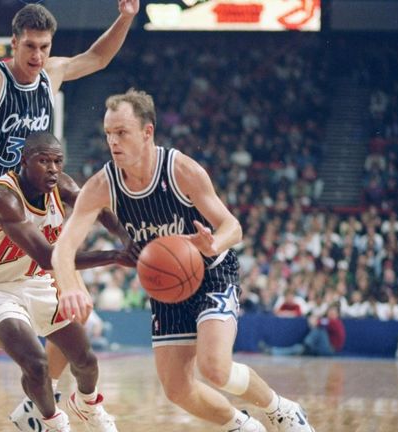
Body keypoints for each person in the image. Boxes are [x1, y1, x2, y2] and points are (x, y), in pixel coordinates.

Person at [0, 2, 140, 431]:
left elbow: (97, 58)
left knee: (65, 301)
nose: (38, 55)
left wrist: (126, 17)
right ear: (13, 43)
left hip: (37, 203)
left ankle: (40, 404)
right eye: (30, 46)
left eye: (44, 47)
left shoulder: (50, 73)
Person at [50, 89, 315, 432]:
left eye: (122, 132)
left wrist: (212, 244)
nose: (112, 141)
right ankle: (241, 426)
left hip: (211, 274)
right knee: (177, 389)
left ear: (147, 132)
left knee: (214, 368)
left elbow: (233, 227)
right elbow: (63, 248)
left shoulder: (181, 170)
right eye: (108, 134)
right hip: (167, 288)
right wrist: (72, 287)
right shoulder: (102, 184)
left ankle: (281, 410)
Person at [0, 132, 127, 431]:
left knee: (86, 360)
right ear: (24, 161)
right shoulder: (1, 197)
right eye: (43, 160)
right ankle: (52, 422)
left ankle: (87, 405)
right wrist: (116, 254)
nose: (52, 168)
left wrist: (130, 238)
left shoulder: (60, 185)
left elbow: (97, 209)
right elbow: (48, 257)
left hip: (35, 284)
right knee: (37, 364)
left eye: (57, 161)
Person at [262, 304, 346, 357]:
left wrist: (315, 320)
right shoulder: (330, 321)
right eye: (330, 311)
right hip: (321, 348)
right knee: (297, 349)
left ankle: (307, 345)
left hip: (330, 350)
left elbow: (315, 322)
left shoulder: (335, 322)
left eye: (333, 312)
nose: (331, 313)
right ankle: (273, 351)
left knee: (320, 331)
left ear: (337, 314)